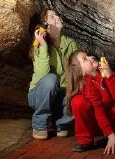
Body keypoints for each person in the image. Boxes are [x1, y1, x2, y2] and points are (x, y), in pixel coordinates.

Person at [66, 51, 115, 154]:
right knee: (77, 101)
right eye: (85, 59)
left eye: (88, 55)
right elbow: (99, 110)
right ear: (81, 71)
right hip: (97, 123)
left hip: (111, 120)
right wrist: (110, 134)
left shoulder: (106, 73)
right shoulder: (86, 85)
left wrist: (110, 76)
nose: (91, 57)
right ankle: (85, 140)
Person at [28, 9, 77, 140]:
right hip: (39, 95)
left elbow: (76, 71)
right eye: (52, 16)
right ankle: (39, 124)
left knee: (78, 88)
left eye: (57, 14)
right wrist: (43, 46)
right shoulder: (39, 44)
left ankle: (60, 122)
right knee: (51, 79)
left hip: (60, 95)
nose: (58, 17)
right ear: (45, 24)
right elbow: (42, 74)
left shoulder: (71, 44)